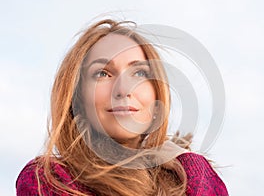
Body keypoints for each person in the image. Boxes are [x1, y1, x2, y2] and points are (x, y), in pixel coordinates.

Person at [16, 19, 228, 196]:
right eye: (102, 74)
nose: (124, 89)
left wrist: (188, 162)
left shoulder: (185, 175)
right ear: (77, 99)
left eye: (139, 73)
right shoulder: (47, 178)